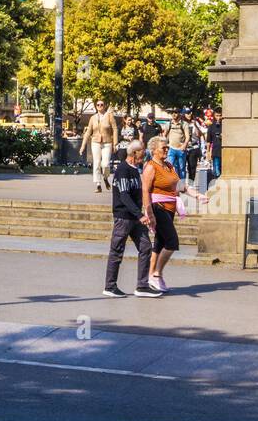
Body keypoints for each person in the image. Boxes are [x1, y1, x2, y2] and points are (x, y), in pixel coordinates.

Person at [141, 135, 209, 293]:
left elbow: (181, 186)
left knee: (159, 243)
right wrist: (149, 212)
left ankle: (150, 276)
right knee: (172, 242)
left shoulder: (169, 166)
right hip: (158, 208)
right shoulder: (151, 167)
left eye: (167, 147)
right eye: (163, 148)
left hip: (170, 208)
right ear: (154, 151)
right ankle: (157, 274)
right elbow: (145, 190)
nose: (166, 150)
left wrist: (198, 196)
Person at [103, 142, 157, 298]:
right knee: (117, 250)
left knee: (146, 247)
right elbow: (124, 196)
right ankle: (110, 286)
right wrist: (139, 215)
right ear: (135, 153)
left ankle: (142, 286)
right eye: (143, 151)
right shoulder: (123, 170)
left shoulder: (135, 170)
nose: (145, 153)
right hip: (123, 216)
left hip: (135, 217)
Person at [79, 100, 119, 193]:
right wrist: (83, 145)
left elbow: (115, 129)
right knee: (96, 163)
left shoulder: (109, 116)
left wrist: (115, 143)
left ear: (105, 106)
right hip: (95, 142)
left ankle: (105, 177)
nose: (100, 106)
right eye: (98, 105)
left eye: (102, 104)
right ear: (96, 106)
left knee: (105, 164)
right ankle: (98, 184)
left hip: (107, 142)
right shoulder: (93, 118)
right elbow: (88, 132)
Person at [165, 109, 192, 182]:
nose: (174, 114)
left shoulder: (184, 124)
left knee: (182, 168)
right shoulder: (169, 124)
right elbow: (164, 135)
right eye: (172, 113)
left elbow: (187, 137)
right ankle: (171, 184)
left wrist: (184, 145)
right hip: (171, 149)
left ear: (179, 114)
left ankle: (181, 185)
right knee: (169, 167)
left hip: (181, 149)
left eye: (176, 112)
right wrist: (165, 146)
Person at [205, 107, 223, 183]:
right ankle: (216, 184)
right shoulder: (211, 126)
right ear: (214, 116)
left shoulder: (226, 125)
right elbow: (208, 141)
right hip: (215, 151)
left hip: (225, 151)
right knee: (216, 170)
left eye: (220, 115)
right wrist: (208, 152)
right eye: (217, 115)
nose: (218, 117)